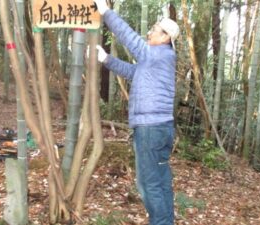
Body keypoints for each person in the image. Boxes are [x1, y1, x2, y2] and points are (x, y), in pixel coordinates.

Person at [93, 0, 180, 224]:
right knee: (160, 180)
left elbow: (132, 41)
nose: (150, 31)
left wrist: (106, 13)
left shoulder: (160, 54)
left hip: (151, 129)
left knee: (148, 183)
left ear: (166, 38)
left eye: (155, 30)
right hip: (158, 128)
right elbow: (132, 72)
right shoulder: (155, 59)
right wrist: (107, 59)